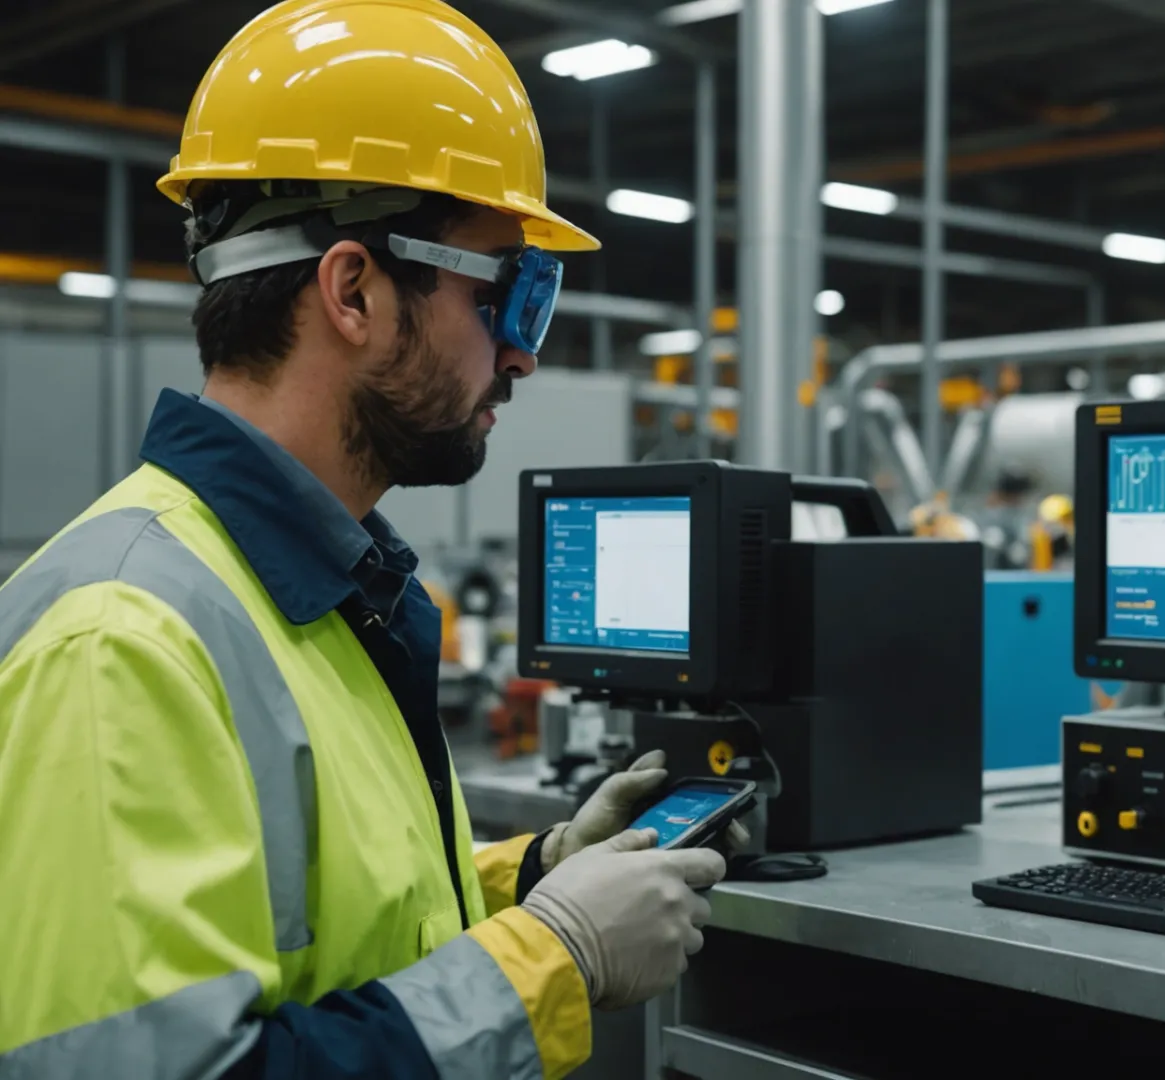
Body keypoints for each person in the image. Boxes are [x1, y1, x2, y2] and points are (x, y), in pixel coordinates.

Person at [0, 2, 734, 1077]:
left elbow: (319, 924)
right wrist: (552, 961)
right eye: (511, 295)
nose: (523, 358)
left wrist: (537, 875)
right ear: (354, 291)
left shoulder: (308, 591)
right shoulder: (122, 641)